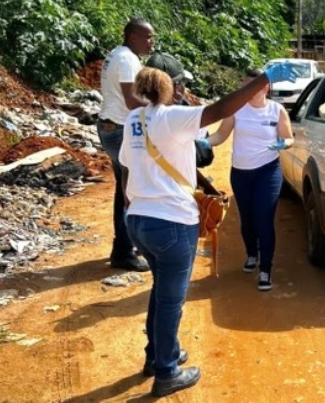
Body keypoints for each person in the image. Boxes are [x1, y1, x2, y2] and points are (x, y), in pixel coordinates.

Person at [119, 63, 297, 397]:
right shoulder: (173, 116)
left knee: (160, 293)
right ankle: (167, 373)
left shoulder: (134, 120)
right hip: (171, 222)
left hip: (139, 220)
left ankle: (157, 355)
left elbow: (126, 167)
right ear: (171, 85)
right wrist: (263, 79)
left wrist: (132, 205)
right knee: (171, 300)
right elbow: (220, 110)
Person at [207, 68, 294, 292]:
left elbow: (288, 138)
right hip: (241, 173)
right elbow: (220, 135)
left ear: (265, 87)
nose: (246, 90)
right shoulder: (236, 110)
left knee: (264, 218)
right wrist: (203, 142)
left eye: (252, 85)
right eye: (244, 85)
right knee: (247, 219)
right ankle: (251, 254)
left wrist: (282, 144)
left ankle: (265, 270)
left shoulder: (277, 110)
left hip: (268, 171)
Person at [97, 18, 155, 272]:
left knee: (125, 191)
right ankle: (123, 252)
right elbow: (132, 101)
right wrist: (161, 107)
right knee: (131, 192)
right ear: (133, 37)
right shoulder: (126, 60)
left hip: (112, 127)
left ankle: (127, 245)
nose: (151, 42)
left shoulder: (119, 55)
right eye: (148, 37)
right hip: (120, 131)